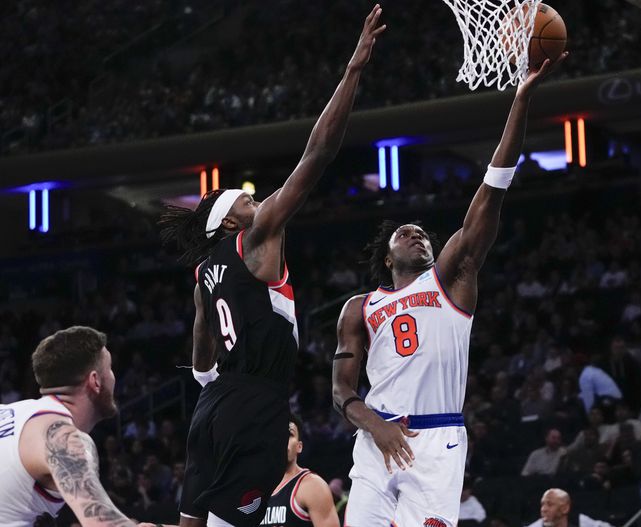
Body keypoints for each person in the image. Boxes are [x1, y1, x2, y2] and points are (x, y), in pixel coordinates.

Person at [158, 7, 386, 527]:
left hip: (212, 406)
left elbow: (201, 338)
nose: (254, 203)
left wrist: (206, 376)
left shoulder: (202, 274)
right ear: (230, 223)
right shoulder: (255, 238)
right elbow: (317, 155)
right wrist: (353, 70)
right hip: (255, 402)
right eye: (244, 201)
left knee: (194, 522)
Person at [332, 52, 567, 526]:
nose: (416, 233)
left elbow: (492, 189)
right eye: (405, 232)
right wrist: (375, 427)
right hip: (377, 436)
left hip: (437, 441)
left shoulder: (451, 281)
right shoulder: (360, 308)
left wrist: (522, 97)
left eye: (423, 232)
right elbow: (340, 390)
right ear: (386, 256)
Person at [0, 326, 159, 527]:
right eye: (109, 369)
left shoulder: (9, 412)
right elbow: (102, 524)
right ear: (95, 381)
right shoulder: (62, 437)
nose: (113, 377)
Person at [261, 416, 338, 527]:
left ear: (299, 446)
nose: (282, 440)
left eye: (289, 434)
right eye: (277, 433)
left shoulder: (312, 486)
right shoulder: (255, 489)